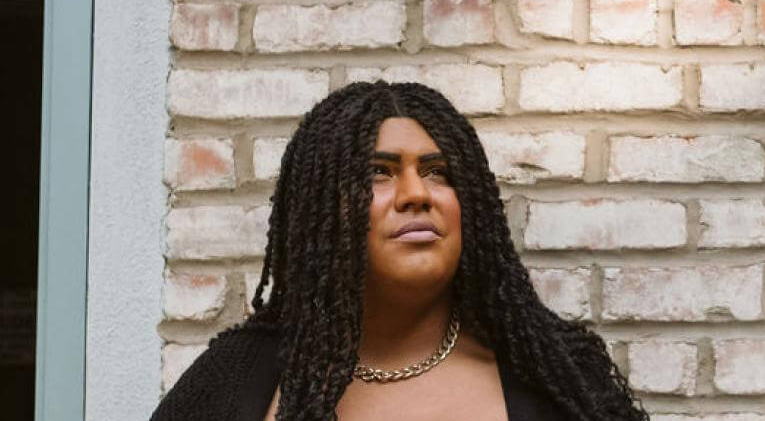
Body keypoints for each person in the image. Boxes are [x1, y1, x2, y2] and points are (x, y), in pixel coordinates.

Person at [150, 82, 647, 421]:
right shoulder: (235, 380)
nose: (417, 193)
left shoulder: (556, 381)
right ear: (321, 208)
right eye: (378, 172)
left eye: (438, 172)